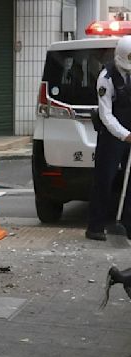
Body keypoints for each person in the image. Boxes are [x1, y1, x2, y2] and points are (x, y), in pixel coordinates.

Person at [86, 36, 131, 241]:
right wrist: (125, 135)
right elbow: (106, 114)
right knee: (104, 180)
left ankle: (127, 226)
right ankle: (95, 227)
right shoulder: (107, 77)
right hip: (112, 136)